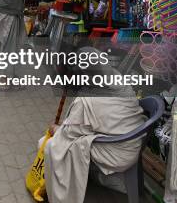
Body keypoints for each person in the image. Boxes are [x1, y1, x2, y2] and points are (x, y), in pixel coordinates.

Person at [42, 56, 146, 203]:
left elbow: (68, 135)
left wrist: (55, 129)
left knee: (52, 147)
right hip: (135, 142)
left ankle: (60, 196)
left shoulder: (85, 101)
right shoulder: (115, 77)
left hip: (118, 152)